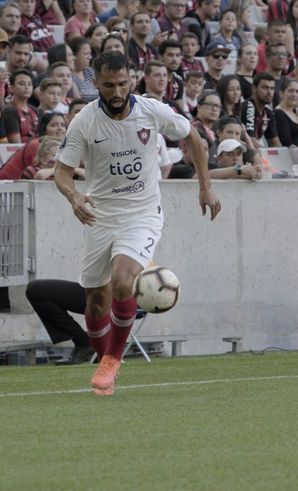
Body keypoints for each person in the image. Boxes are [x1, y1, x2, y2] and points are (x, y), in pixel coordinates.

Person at [53, 51, 221, 396]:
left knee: (123, 279)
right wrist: (74, 198)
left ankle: (113, 359)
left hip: (142, 215)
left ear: (133, 79)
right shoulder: (85, 121)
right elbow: (62, 171)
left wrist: (205, 186)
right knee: (95, 303)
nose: (117, 92)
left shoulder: (151, 110)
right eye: (108, 85)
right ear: (96, 83)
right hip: (100, 217)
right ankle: (106, 364)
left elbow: (193, 137)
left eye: (123, 83)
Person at [25, 279, 94, 365]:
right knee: (35, 289)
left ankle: (100, 343)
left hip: (111, 294)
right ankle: (84, 343)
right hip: (95, 288)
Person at [240, 72, 282, 148]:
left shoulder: (268, 112)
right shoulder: (249, 107)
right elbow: (251, 141)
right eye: (265, 87)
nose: (269, 92)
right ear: (254, 89)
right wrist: (268, 152)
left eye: (272, 88)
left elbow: (276, 142)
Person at [274, 77, 298, 147]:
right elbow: (286, 142)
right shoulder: (279, 113)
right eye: (291, 91)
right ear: (281, 93)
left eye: (297, 91)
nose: (294, 94)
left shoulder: (293, 112)